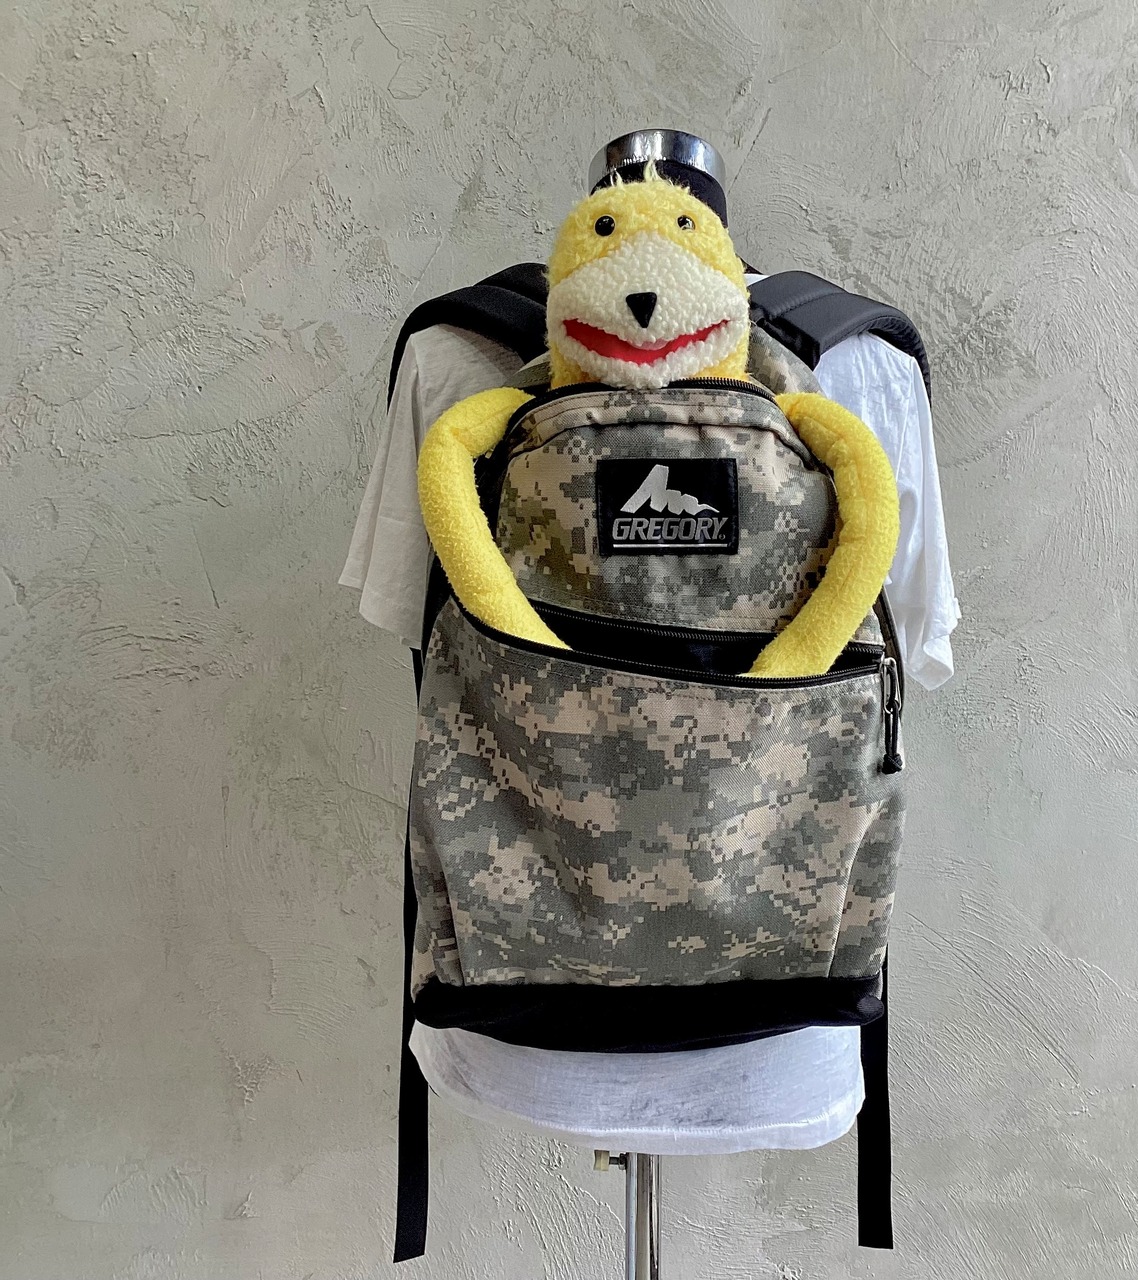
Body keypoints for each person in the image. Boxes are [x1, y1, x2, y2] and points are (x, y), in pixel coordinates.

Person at [341, 126, 960, 1206]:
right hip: (784, 1005)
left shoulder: (458, 353)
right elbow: (916, 650)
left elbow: (417, 639)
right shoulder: (859, 362)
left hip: (515, 991)